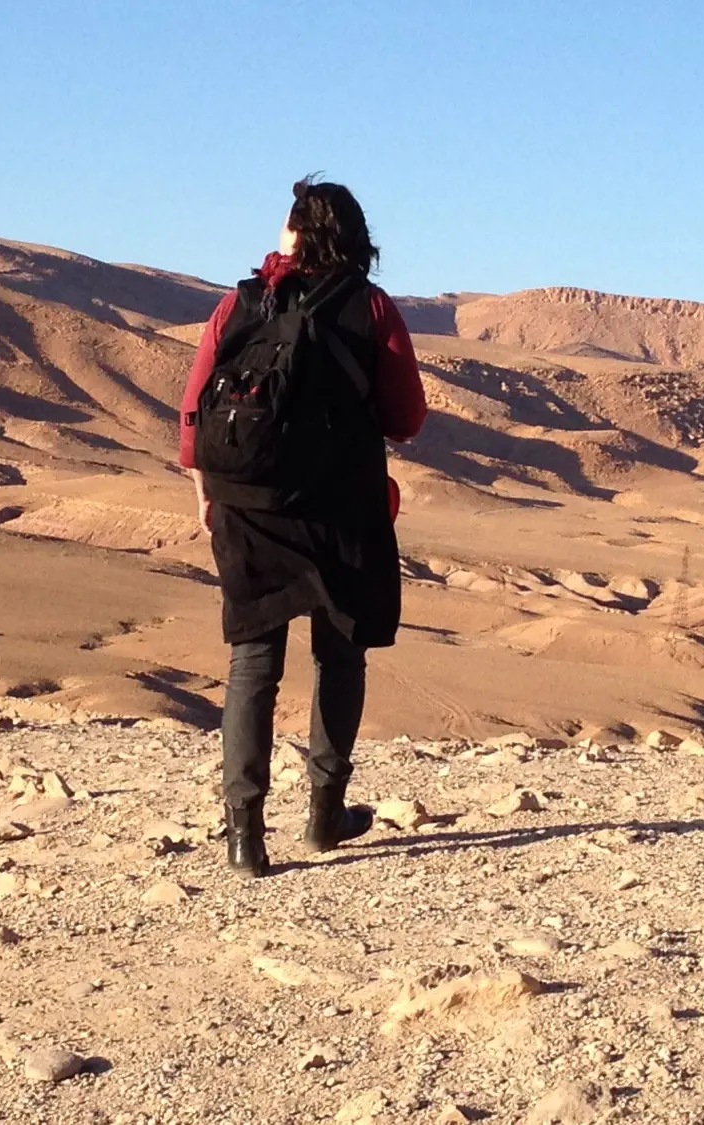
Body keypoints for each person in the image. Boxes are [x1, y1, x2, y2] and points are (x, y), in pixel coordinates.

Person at [178, 176, 427, 877]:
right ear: (355, 240)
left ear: (293, 234)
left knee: (253, 659)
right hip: (340, 505)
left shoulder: (240, 301)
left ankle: (245, 836)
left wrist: (206, 491)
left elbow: (195, 411)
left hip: (245, 502)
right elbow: (406, 418)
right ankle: (324, 816)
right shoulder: (370, 307)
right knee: (340, 652)